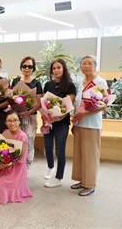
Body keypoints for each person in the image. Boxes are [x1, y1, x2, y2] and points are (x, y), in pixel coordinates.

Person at [71, 55, 107, 196]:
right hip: (79, 124)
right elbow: (77, 104)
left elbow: (103, 105)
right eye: (84, 63)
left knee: (90, 155)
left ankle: (90, 184)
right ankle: (81, 180)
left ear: (95, 66)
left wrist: (83, 115)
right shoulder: (80, 82)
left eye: (90, 63)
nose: (86, 66)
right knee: (79, 154)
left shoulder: (100, 81)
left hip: (92, 125)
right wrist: (75, 119)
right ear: (80, 66)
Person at [0, 110, 33, 204]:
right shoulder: (5, 132)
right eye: (9, 121)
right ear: (5, 122)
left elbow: (20, 159)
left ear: (19, 121)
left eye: (15, 120)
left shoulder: (23, 136)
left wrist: (2, 166)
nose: (12, 123)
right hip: (5, 167)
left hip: (16, 170)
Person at [43, 58, 76, 188]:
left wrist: (58, 117)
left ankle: (58, 177)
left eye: (59, 68)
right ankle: (50, 167)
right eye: (54, 68)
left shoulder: (69, 85)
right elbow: (44, 103)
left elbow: (69, 105)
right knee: (48, 147)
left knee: (60, 150)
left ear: (64, 69)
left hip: (61, 123)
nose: (56, 70)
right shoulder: (48, 84)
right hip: (48, 122)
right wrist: (46, 116)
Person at [11, 56, 42, 170]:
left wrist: (28, 112)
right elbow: (11, 97)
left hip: (31, 117)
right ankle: (16, 167)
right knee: (16, 141)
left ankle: (26, 168)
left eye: (30, 66)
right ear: (21, 67)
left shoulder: (36, 83)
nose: (27, 68)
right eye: (25, 66)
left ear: (33, 68)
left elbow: (39, 103)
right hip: (17, 117)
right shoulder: (15, 81)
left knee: (29, 142)